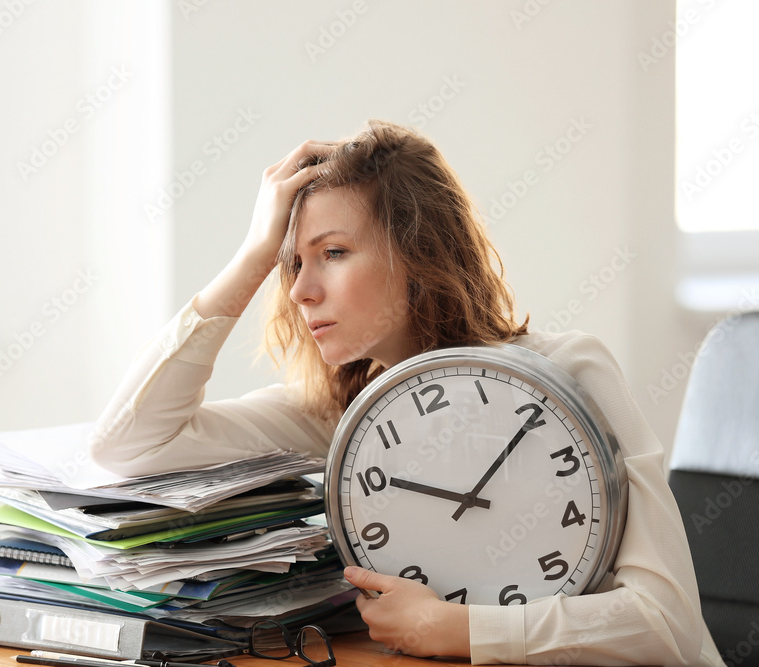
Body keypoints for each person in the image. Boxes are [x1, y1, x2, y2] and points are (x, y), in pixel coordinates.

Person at [89, 119, 725, 665]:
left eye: (332, 252)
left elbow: (663, 620)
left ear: (417, 254)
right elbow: (130, 444)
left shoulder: (568, 373)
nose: (301, 291)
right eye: (293, 265)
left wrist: (466, 630)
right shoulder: (347, 418)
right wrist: (253, 254)